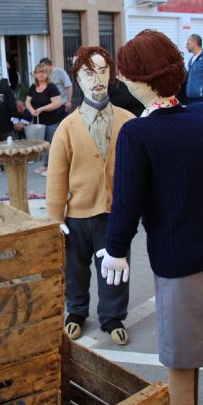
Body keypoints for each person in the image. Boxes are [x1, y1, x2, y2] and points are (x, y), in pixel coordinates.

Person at [99, 30, 203, 405]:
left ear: (140, 80)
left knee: (181, 361)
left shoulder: (139, 132)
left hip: (181, 262)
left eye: (126, 75)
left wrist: (115, 249)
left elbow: (127, 201)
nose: (123, 81)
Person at [45, 46, 134, 344]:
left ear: (110, 76)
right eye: (88, 73)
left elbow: (140, 172)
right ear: (77, 80)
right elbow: (57, 174)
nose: (96, 79)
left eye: (102, 71)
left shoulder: (128, 121)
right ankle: (76, 313)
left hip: (115, 215)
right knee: (75, 269)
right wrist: (55, 216)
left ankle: (113, 317)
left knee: (114, 271)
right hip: (76, 215)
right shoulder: (67, 127)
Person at [26, 63, 62, 177]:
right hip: (39, 121)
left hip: (51, 121)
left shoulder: (51, 87)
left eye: (43, 72)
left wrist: (42, 108)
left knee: (50, 144)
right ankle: (45, 165)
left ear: (47, 74)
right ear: (35, 74)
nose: (41, 74)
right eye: (38, 72)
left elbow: (57, 103)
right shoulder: (33, 87)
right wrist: (32, 110)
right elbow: (27, 102)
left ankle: (52, 167)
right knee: (43, 144)